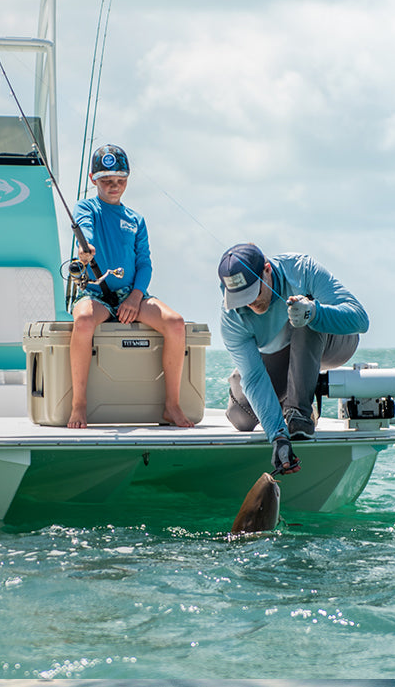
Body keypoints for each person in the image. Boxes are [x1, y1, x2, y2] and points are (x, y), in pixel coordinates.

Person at [66, 144, 194, 430]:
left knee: (176, 323)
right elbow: (84, 232)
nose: (114, 186)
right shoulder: (85, 207)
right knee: (84, 321)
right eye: (107, 181)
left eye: (120, 181)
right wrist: (86, 250)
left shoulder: (136, 219)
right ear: (92, 179)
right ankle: (79, 404)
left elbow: (145, 264)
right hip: (95, 295)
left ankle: (171, 405)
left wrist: (135, 298)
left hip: (131, 296)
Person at [215, 242, 368, 474]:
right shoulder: (231, 316)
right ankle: (296, 389)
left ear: (267, 269)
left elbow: (360, 319)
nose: (249, 303)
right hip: (280, 354)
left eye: (253, 292)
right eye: (241, 298)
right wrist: (278, 436)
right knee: (242, 417)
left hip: (334, 340)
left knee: (303, 309)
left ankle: (299, 410)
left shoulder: (301, 269)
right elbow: (255, 378)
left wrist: (315, 312)